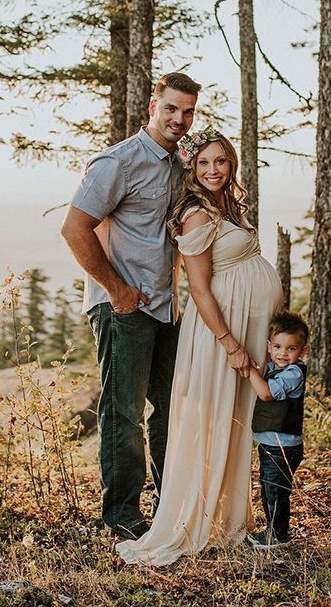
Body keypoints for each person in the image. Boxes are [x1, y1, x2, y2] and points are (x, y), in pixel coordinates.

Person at [116, 128, 283, 566]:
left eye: (221, 162)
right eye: (204, 162)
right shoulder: (193, 212)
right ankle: (192, 518)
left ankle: (228, 519)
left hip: (242, 327)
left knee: (235, 421)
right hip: (218, 333)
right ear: (192, 167)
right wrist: (230, 344)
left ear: (231, 165)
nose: (213, 170)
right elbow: (201, 289)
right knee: (211, 419)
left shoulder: (226, 204)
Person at [60, 72, 201, 540]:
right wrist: (116, 290)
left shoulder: (177, 165)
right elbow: (75, 229)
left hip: (164, 307)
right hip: (123, 306)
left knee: (169, 409)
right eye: (171, 109)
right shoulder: (118, 162)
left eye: (188, 112)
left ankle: (168, 507)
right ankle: (121, 516)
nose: (179, 119)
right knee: (123, 412)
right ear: (152, 106)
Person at [247, 311, 308, 548]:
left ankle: (278, 535)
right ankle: (274, 530)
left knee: (275, 490)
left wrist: (249, 369)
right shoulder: (275, 366)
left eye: (291, 348)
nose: (283, 353)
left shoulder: (294, 374)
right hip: (272, 443)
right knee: (269, 485)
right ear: (269, 346)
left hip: (283, 446)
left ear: (302, 351)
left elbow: (266, 393)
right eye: (278, 346)